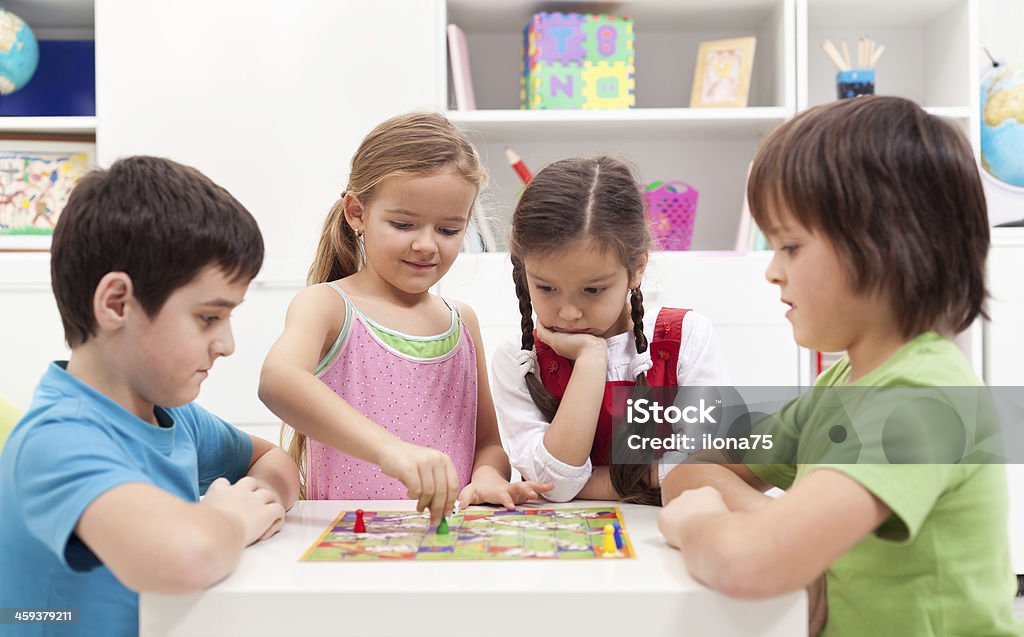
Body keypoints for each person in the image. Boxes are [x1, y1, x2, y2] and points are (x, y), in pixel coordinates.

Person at [658, 96, 1022, 636]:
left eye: (790, 246)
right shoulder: (842, 386)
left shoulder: (921, 399)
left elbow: (747, 564)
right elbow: (686, 471)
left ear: (886, 245)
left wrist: (704, 523)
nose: (772, 272)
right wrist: (778, 529)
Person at [0, 156, 300, 637]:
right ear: (117, 303)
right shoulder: (55, 440)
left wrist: (251, 503)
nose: (227, 344)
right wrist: (229, 522)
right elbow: (185, 557)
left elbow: (278, 463)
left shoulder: (176, 417)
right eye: (208, 317)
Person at [259, 112, 550, 523]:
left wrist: (487, 475)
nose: (426, 245)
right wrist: (391, 450)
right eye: (403, 224)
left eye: (449, 230)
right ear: (357, 213)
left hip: (445, 545)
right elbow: (277, 381)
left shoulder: (462, 322)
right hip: (346, 547)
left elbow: (488, 444)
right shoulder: (327, 306)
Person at [491, 156, 731, 505]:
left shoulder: (685, 337)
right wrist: (591, 359)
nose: (569, 312)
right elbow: (553, 486)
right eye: (546, 288)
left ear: (637, 268)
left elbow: (708, 461)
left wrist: (592, 484)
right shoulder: (520, 360)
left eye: (592, 290)